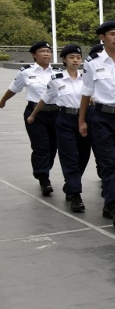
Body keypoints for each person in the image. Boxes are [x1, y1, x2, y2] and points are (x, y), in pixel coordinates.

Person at [79, 22, 115, 226]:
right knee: (108, 161)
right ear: (102, 38)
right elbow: (86, 93)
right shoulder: (92, 63)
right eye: (112, 34)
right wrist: (82, 120)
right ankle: (114, 204)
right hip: (101, 117)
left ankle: (110, 202)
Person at [26, 44, 91, 211]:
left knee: (83, 156)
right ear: (64, 59)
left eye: (78, 57)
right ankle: (75, 194)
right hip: (65, 120)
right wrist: (33, 114)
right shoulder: (56, 79)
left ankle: (70, 184)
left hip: (84, 119)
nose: (75, 60)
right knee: (70, 157)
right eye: (71, 57)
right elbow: (45, 98)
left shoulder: (87, 78)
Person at [0, 41, 58, 195]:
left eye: (48, 51)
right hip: (35, 114)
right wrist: (2, 101)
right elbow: (14, 88)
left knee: (53, 147)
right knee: (41, 146)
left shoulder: (58, 72)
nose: (46, 54)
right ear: (34, 55)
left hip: (57, 113)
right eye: (42, 51)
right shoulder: (26, 72)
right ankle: (43, 177)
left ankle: (44, 170)